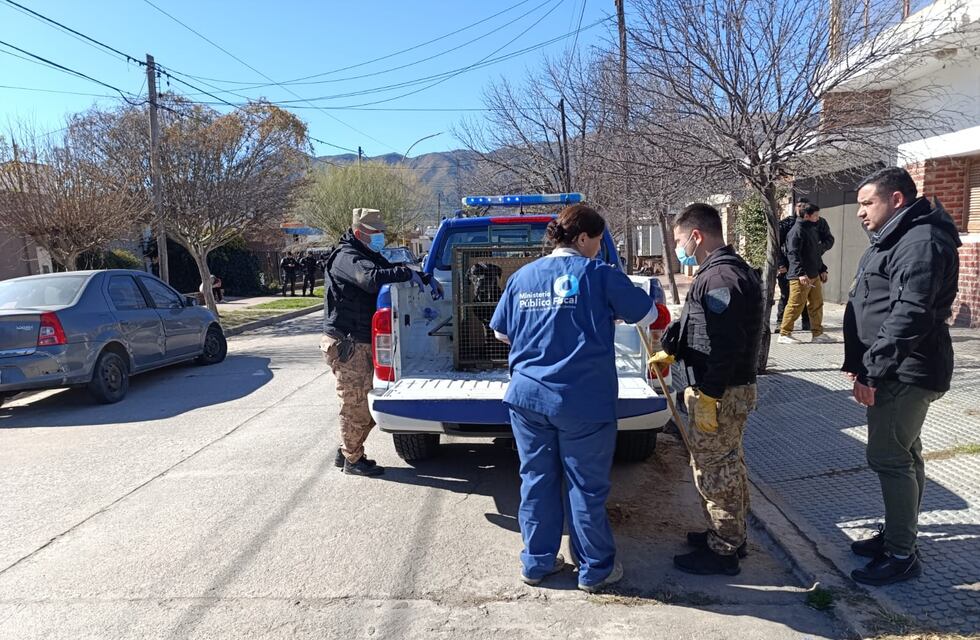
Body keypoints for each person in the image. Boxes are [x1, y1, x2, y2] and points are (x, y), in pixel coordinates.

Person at [489, 204, 660, 592]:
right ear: (582, 238)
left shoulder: (523, 277)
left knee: (536, 479)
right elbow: (647, 315)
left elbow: (502, 334)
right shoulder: (600, 275)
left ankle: (537, 562)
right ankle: (595, 570)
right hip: (582, 400)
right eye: (598, 241)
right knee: (585, 485)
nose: (599, 249)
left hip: (528, 398)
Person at [843, 167, 959, 586]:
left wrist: (872, 370)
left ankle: (901, 554)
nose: (859, 212)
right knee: (906, 454)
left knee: (890, 458)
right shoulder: (900, 236)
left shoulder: (920, 241)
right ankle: (897, 535)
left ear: (895, 200)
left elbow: (910, 314)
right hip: (896, 366)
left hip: (904, 370)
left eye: (866, 202)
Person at [648, 203, 762, 576]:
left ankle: (724, 550)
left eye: (679, 240)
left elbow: (725, 341)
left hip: (721, 392)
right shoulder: (720, 272)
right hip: (726, 389)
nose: (678, 247)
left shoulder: (720, 279)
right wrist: (672, 349)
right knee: (729, 465)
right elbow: (697, 324)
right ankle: (729, 534)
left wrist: (710, 394)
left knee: (715, 472)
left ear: (696, 236)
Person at [322, 208, 428, 477]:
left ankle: (347, 449)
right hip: (348, 344)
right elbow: (369, 279)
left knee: (364, 403)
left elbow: (385, 269)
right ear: (359, 233)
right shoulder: (347, 257)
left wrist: (420, 275)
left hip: (359, 340)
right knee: (356, 404)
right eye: (376, 232)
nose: (381, 236)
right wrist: (405, 273)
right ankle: (352, 460)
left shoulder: (365, 253)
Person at [778, 203, 833, 344]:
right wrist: (800, 273)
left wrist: (822, 269)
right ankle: (784, 333)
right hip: (800, 276)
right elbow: (793, 255)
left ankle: (817, 334)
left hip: (814, 274)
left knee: (817, 304)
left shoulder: (813, 229)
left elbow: (815, 253)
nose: (818, 218)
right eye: (815, 215)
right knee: (796, 304)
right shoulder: (796, 231)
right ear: (807, 216)